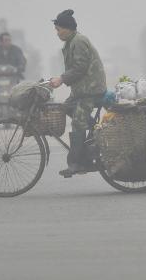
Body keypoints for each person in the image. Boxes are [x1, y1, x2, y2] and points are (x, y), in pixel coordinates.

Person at [48, 9, 107, 177]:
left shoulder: (79, 41)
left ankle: (75, 163)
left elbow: (80, 68)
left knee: (78, 123)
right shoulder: (71, 42)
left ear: (68, 29)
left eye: (59, 29)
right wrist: (60, 78)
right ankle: (96, 132)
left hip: (90, 90)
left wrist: (61, 79)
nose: (57, 33)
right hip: (81, 90)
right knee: (66, 107)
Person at [0, 32, 27, 115]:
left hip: (13, 76)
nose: (8, 42)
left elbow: (22, 60)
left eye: (9, 40)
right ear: (0, 42)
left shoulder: (16, 50)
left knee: (18, 92)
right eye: (6, 40)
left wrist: (20, 67)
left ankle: (19, 106)